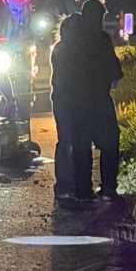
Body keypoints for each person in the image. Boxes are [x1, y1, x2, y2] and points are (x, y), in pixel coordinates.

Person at [63, 0, 123, 200]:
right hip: (99, 101)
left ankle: (83, 190)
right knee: (110, 144)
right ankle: (108, 188)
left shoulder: (72, 41)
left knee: (81, 148)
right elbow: (115, 70)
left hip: (78, 103)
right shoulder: (102, 39)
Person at [49, 16, 78, 201]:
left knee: (65, 141)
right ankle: (75, 183)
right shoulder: (72, 50)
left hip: (61, 100)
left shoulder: (59, 48)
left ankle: (64, 184)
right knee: (74, 142)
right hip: (72, 100)